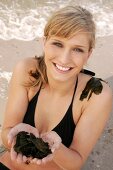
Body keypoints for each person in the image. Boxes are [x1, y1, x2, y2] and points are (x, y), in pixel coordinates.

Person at [0, 5, 112, 170]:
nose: (64, 59)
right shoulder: (27, 70)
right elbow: (6, 134)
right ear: (44, 42)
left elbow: (76, 161)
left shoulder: (96, 94)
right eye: (58, 44)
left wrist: (56, 148)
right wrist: (15, 136)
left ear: (88, 54)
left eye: (77, 49)